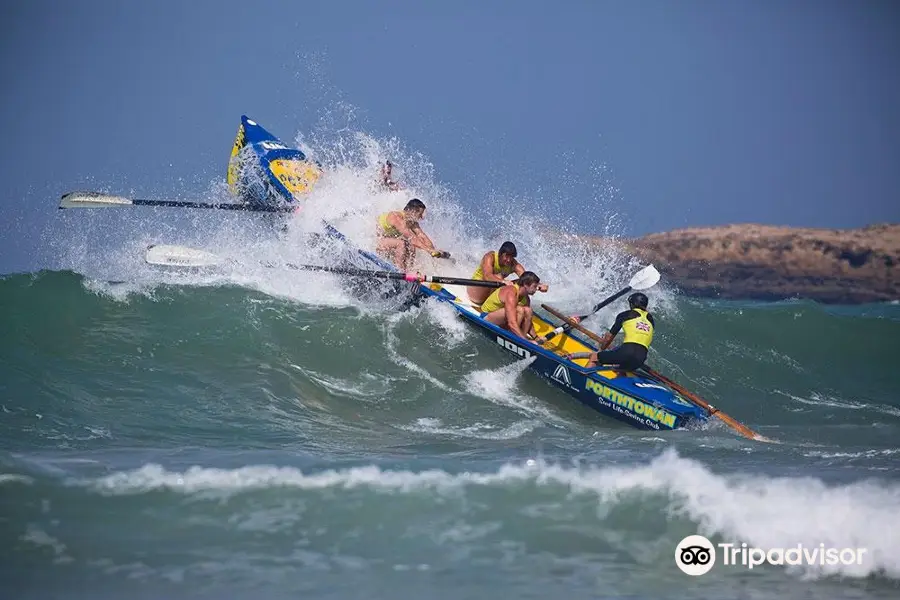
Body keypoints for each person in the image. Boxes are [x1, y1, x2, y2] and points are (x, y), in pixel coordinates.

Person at [564, 292, 654, 371]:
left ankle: (581, 377)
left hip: (626, 353)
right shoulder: (651, 320)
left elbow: (608, 339)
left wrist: (601, 350)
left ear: (632, 304)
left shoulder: (625, 315)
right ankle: (619, 381)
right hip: (641, 359)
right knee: (621, 367)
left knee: (595, 357)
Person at [375, 198, 450, 271]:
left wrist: (434, 250)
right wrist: (429, 250)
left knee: (411, 246)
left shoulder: (411, 222)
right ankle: (400, 272)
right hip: (376, 243)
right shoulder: (396, 217)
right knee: (401, 243)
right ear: (412, 211)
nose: (421, 218)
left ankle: (409, 271)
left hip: (388, 245)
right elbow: (412, 238)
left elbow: (422, 236)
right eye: (420, 214)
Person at [466, 241, 549, 306]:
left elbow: (527, 278)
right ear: (500, 254)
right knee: (499, 276)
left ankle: (522, 311)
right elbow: (487, 276)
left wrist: (539, 285)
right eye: (506, 256)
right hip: (475, 291)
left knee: (522, 283)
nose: (509, 260)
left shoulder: (513, 264)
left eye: (511, 257)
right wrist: (503, 281)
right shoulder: (490, 257)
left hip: (491, 294)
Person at [478, 271, 547, 344]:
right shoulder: (511, 292)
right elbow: (511, 322)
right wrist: (526, 342)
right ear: (526, 285)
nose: (536, 289)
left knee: (528, 310)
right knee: (519, 310)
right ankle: (519, 339)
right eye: (534, 286)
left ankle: (520, 338)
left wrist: (536, 337)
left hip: (502, 321)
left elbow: (527, 320)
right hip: (485, 316)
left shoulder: (526, 299)